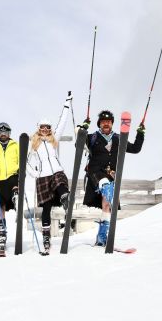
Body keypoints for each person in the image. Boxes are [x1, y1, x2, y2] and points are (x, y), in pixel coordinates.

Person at [81, 110, 145, 246]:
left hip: (110, 175)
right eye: (103, 122)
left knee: (106, 205)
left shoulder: (118, 138)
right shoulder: (92, 137)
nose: (106, 124)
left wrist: (140, 133)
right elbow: (78, 145)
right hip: (95, 173)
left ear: (112, 124)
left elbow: (135, 148)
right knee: (106, 187)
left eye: (109, 122)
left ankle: (101, 237)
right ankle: (107, 193)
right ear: (99, 124)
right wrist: (82, 129)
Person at [26, 94, 73, 255]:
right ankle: (46, 237)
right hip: (43, 177)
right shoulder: (33, 143)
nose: (45, 130)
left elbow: (62, 123)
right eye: (42, 127)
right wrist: (35, 173)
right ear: (38, 128)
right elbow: (24, 162)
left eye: (47, 127)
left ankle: (66, 199)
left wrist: (67, 104)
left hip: (56, 172)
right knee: (46, 208)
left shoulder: (54, 139)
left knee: (60, 181)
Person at [0, 122, 19, 256]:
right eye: (0, 132)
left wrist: (20, 170)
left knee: (14, 183)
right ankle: (2, 237)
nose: (3, 134)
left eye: (5, 132)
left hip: (12, 176)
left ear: (9, 133)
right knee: (0, 208)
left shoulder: (15, 145)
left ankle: (16, 197)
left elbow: (21, 160)